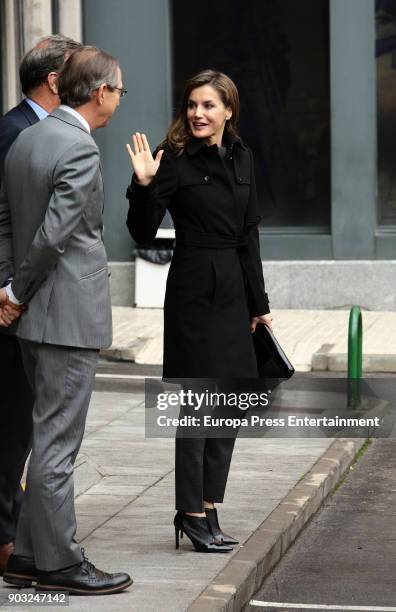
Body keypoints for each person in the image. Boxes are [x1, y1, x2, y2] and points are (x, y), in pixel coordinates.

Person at [0, 46, 132, 594]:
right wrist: (16, 287)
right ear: (101, 92)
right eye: (119, 90)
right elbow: (55, 234)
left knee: (43, 434)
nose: (119, 100)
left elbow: (5, 223)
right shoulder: (79, 146)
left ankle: (29, 554)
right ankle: (61, 564)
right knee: (58, 443)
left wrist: (8, 291)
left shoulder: (29, 136)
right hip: (66, 318)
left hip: (32, 317)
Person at [125, 69, 273, 553]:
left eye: (209, 105)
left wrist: (260, 305)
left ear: (228, 110)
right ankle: (189, 512)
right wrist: (144, 185)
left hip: (233, 287)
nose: (198, 114)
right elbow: (143, 232)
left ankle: (209, 505)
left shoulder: (243, 156)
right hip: (193, 288)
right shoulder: (175, 161)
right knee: (196, 405)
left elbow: (249, 233)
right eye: (192, 105)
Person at [0, 34, 81, 575]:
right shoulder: (17, 132)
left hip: (25, 303)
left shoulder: (36, 129)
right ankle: (8, 538)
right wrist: (7, 292)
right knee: (11, 425)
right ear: (56, 81)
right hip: (13, 307)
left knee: (24, 427)